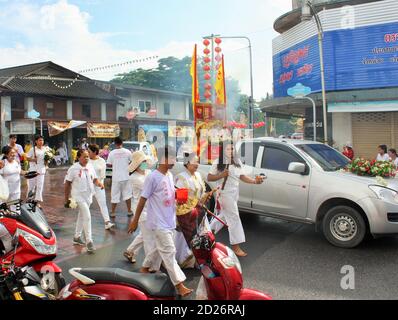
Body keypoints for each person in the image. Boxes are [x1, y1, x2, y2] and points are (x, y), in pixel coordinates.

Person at [128, 147, 193, 297]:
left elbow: (169, 195)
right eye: (173, 158)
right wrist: (135, 220)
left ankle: (145, 268)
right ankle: (179, 285)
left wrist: (179, 197)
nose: (175, 162)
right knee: (169, 251)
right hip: (157, 222)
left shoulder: (169, 175)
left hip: (168, 220)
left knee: (159, 249)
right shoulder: (152, 177)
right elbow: (142, 199)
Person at [208, 140, 265, 257]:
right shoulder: (218, 163)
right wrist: (221, 175)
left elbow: (242, 176)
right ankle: (235, 246)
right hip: (224, 194)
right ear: (223, 151)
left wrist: (255, 181)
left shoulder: (237, 161)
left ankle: (207, 233)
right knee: (234, 217)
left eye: (232, 149)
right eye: (228, 149)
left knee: (224, 216)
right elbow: (209, 177)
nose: (230, 151)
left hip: (234, 193)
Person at [123, 151, 161, 272]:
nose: (144, 163)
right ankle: (151, 266)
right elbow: (150, 189)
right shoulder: (134, 178)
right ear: (137, 164)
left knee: (144, 234)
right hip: (141, 209)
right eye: (142, 162)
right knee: (149, 238)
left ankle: (130, 251)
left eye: (145, 161)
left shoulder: (149, 172)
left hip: (151, 207)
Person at [64, 149, 104, 254]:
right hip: (78, 196)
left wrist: (99, 183)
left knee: (82, 217)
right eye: (84, 156)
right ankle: (89, 241)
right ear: (78, 157)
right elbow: (67, 183)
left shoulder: (90, 166)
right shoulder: (73, 168)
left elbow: (94, 179)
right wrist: (66, 199)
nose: (86, 158)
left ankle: (76, 237)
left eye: (87, 156)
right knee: (87, 216)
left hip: (88, 195)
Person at [88, 144, 114, 231]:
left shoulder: (102, 161)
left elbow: (102, 176)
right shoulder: (86, 161)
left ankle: (107, 222)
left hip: (99, 185)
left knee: (103, 204)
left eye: (89, 152)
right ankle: (83, 223)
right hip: (88, 186)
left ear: (95, 152)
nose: (88, 153)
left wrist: (99, 184)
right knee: (86, 205)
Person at [107, 137, 134, 218]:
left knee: (114, 195)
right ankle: (129, 211)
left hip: (116, 178)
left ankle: (113, 212)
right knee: (128, 194)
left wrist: (115, 163)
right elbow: (132, 161)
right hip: (126, 177)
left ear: (115, 143)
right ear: (122, 143)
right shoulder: (128, 152)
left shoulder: (112, 153)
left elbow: (108, 164)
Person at [26, 135, 48, 207]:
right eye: (39, 140)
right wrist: (33, 160)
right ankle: (29, 199)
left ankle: (37, 201)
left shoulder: (46, 149)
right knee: (31, 186)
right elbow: (27, 158)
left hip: (41, 170)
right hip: (33, 170)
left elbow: (47, 159)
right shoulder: (33, 149)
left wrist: (47, 161)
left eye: (42, 140)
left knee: (40, 186)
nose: (41, 142)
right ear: (36, 141)